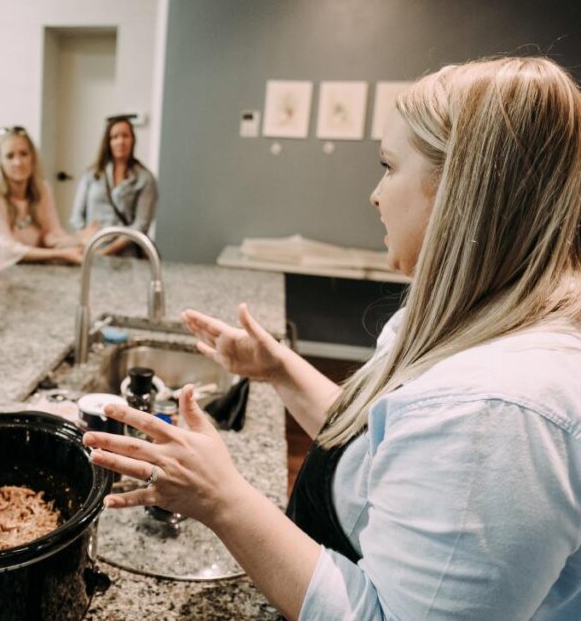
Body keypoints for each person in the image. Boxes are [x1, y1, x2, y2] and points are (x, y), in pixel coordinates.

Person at [83, 57, 581, 619]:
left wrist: (222, 498)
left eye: (388, 167)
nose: (374, 194)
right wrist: (280, 369)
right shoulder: (479, 312)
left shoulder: (497, 418)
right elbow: (378, 444)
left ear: (464, 191)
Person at [0, 125, 82, 265]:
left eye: (23, 154)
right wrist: (60, 253)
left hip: (37, 267)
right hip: (5, 271)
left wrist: (78, 241)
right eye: (10, 156)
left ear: (33, 157)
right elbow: (8, 249)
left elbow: (52, 231)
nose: (18, 162)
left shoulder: (42, 188)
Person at [69, 114, 158, 256]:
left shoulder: (145, 179)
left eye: (125, 136)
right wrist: (84, 237)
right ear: (108, 142)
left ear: (132, 140)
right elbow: (76, 217)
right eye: (115, 137)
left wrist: (106, 251)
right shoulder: (92, 174)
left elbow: (141, 225)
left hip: (126, 254)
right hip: (91, 248)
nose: (120, 141)